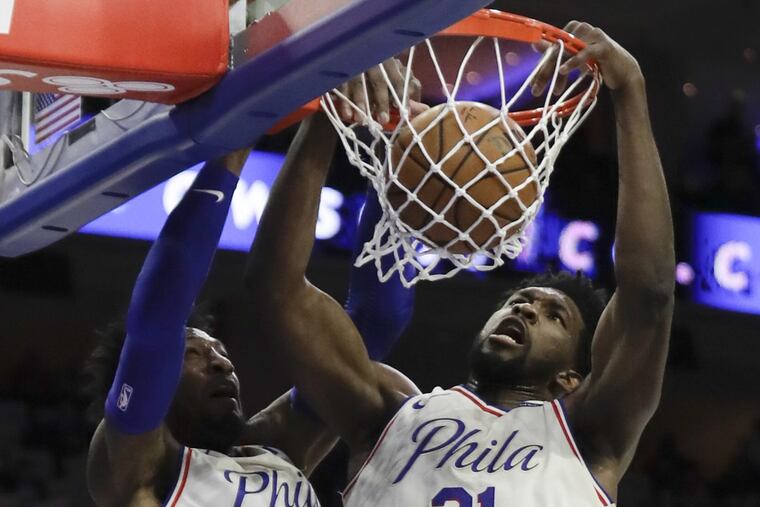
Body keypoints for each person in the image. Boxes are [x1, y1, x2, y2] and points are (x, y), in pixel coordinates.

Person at [245, 21, 674, 506]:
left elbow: (650, 298)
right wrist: (326, 112)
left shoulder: (587, 436)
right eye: (521, 300)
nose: (527, 310)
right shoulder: (391, 410)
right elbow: (277, 290)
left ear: (569, 379)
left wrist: (630, 92)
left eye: (555, 316)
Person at [83, 63, 419, 505]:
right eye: (196, 355)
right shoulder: (136, 465)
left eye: (220, 351)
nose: (223, 363)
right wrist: (234, 145)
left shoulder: (278, 446)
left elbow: (371, 328)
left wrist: (342, 117)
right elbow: (159, 318)